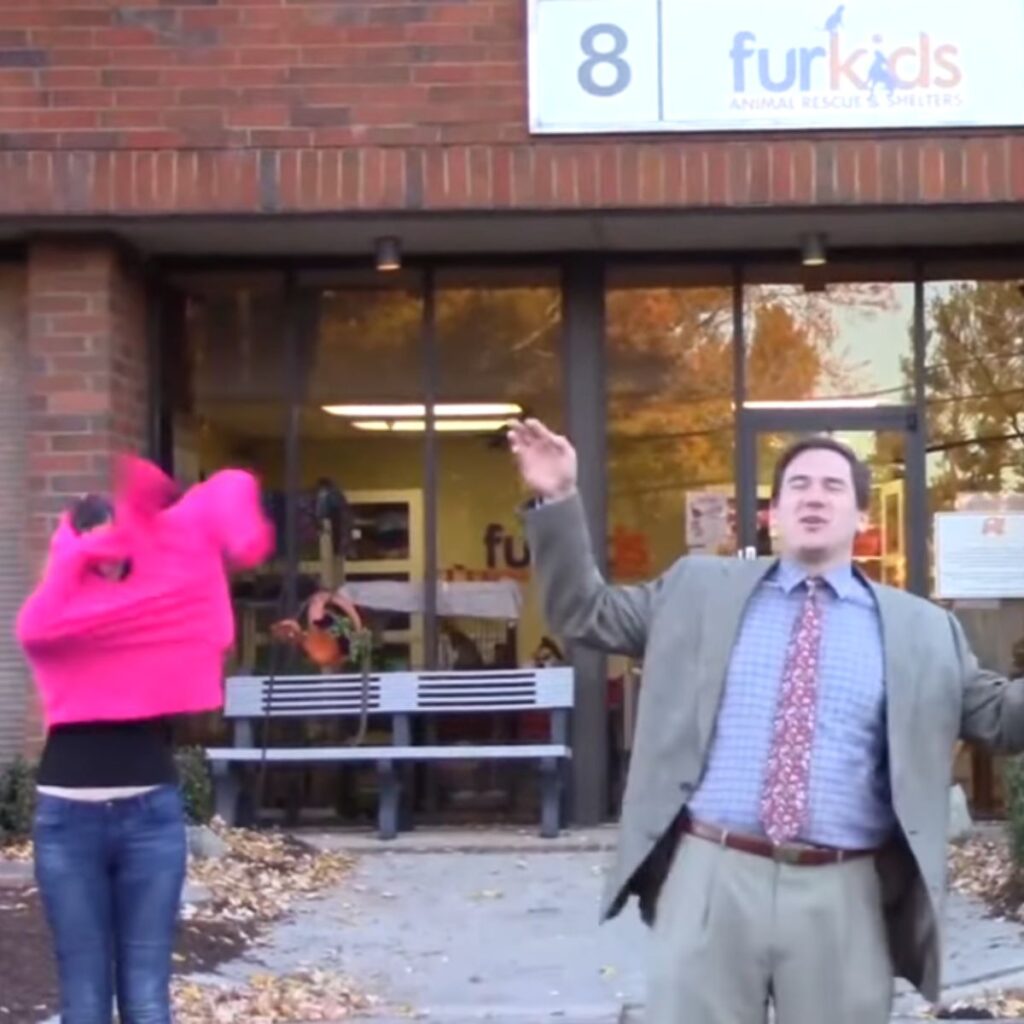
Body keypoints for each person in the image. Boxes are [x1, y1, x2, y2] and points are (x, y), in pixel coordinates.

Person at [507, 418, 1024, 1024]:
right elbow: (583, 612)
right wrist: (559, 497)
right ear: (773, 514)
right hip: (711, 876)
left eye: (832, 486)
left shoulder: (923, 630)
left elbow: (998, 717)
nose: (813, 497)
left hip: (844, 891)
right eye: (798, 485)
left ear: (861, 515)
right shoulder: (697, 590)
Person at [16, 455, 274, 1024]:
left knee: (148, 996)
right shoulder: (57, 609)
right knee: (84, 998)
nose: (112, 556)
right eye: (98, 544)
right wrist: (77, 555)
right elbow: (35, 629)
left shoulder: (162, 601)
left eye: (121, 544)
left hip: (150, 816)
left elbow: (226, 498)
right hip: (67, 822)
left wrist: (233, 533)